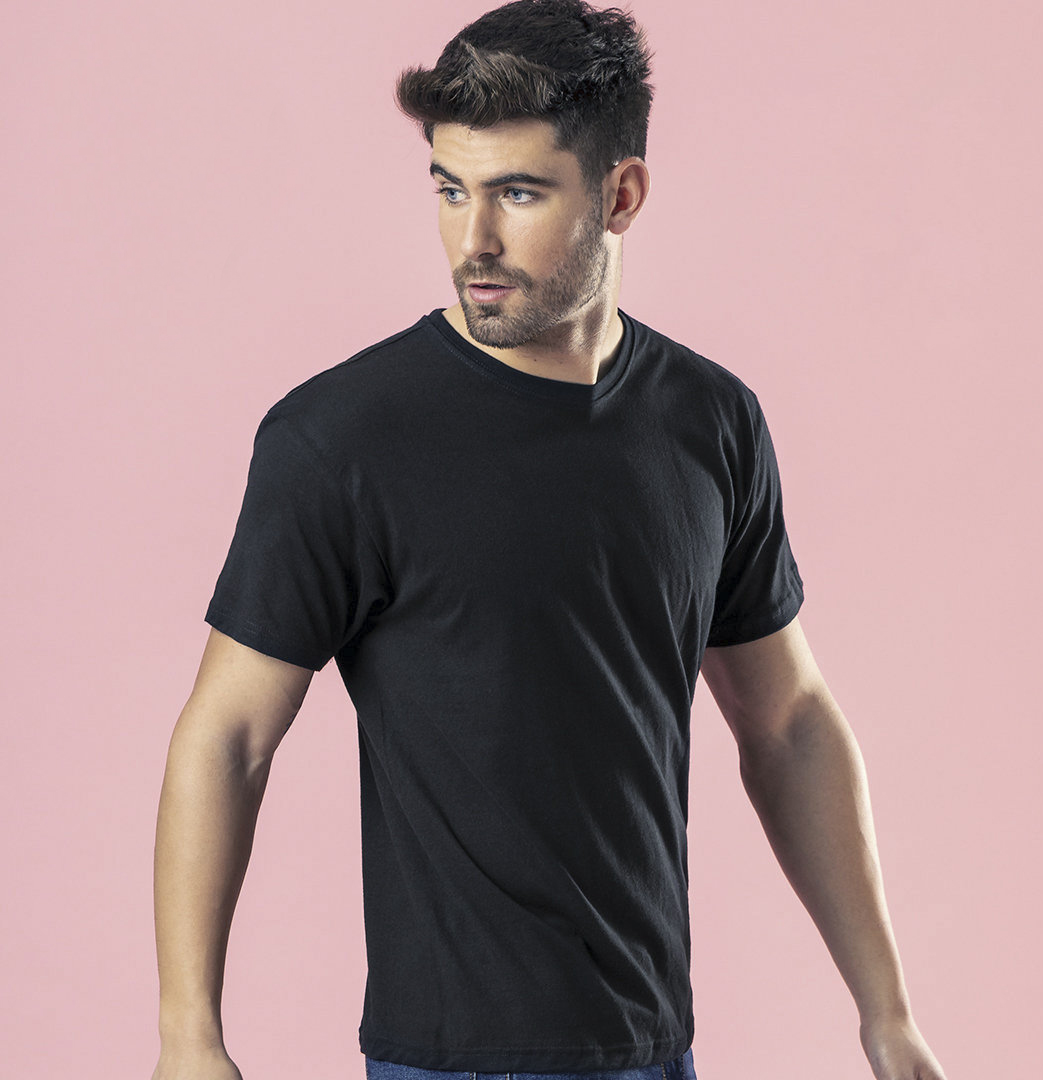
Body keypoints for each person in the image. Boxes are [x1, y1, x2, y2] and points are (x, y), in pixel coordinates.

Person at [150, 2, 948, 1079]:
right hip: (453, 1061)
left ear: (620, 195)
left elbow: (790, 721)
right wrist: (188, 1038)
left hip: (655, 1048)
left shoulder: (711, 421)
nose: (472, 240)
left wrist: (886, 1012)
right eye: (450, 188)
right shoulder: (342, 440)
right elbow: (227, 735)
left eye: (518, 193)